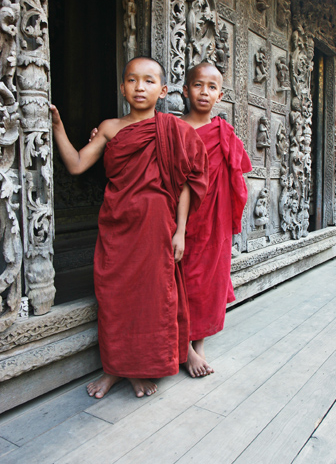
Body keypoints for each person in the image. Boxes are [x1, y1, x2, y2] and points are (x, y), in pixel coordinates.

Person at [51, 57, 209, 398]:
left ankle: (140, 369)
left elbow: (187, 183)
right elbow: (77, 165)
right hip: (117, 225)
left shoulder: (174, 130)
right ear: (122, 87)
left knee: (152, 297)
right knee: (114, 296)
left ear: (163, 90)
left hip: (157, 226)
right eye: (132, 80)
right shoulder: (110, 127)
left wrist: (180, 231)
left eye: (149, 81)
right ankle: (115, 368)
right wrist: (58, 128)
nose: (140, 87)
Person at [181, 62, 252, 378]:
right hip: (178, 218)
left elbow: (237, 173)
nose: (204, 92)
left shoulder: (224, 133)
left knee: (209, 280)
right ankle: (184, 348)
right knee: (177, 279)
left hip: (214, 221)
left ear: (220, 95)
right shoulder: (171, 128)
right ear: (186, 90)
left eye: (212, 87)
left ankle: (199, 343)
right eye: (198, 85)